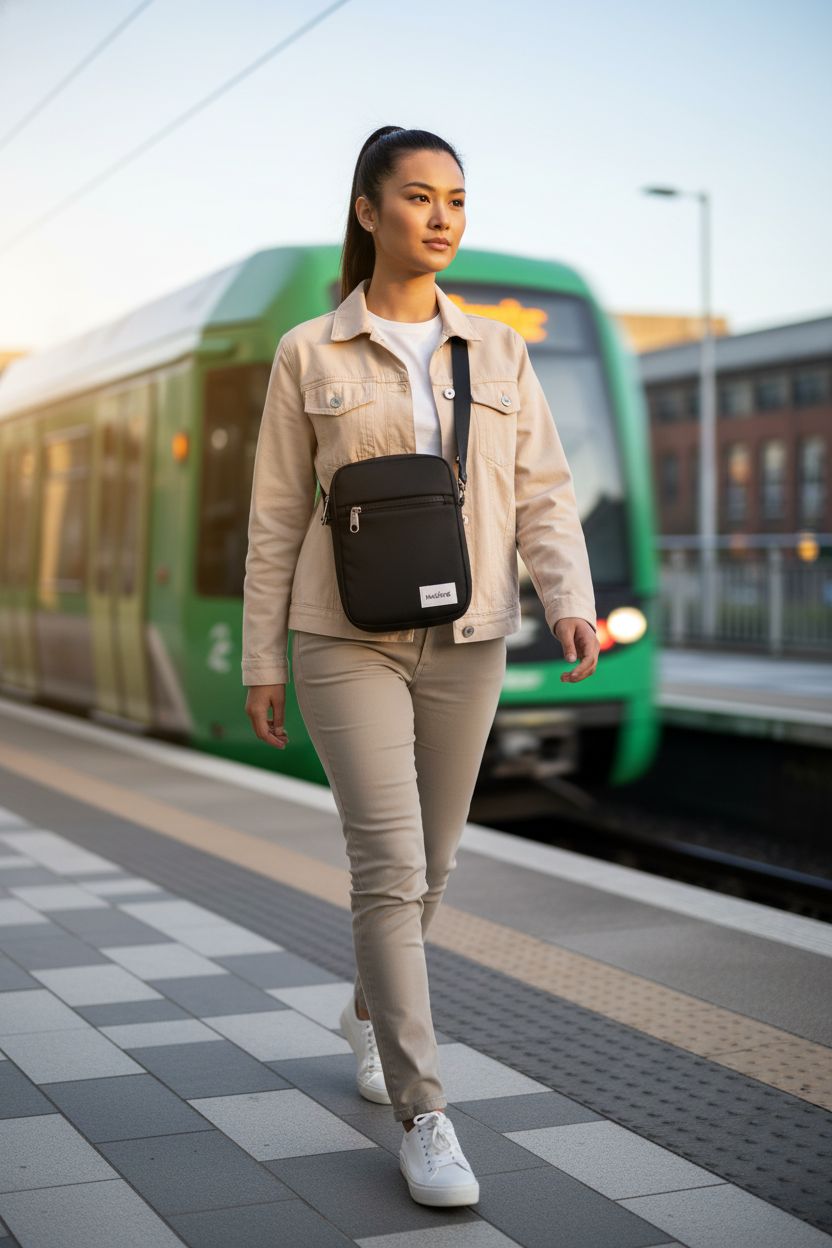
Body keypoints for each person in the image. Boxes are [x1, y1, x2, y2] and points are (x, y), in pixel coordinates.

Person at [242, 125, 599, 1207]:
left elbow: (542, 490)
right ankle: (424, 1113)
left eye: (456, 199)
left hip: (469, 635)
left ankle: (365, 1008)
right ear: (368, 211)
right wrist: (262, 657)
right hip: (343, 635)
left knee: (434, 866)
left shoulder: (498, 350)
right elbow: (274, 516)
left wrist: (569, 599)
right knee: (389, 869)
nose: (441, 217)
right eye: (417, 196)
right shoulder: (308, 351)